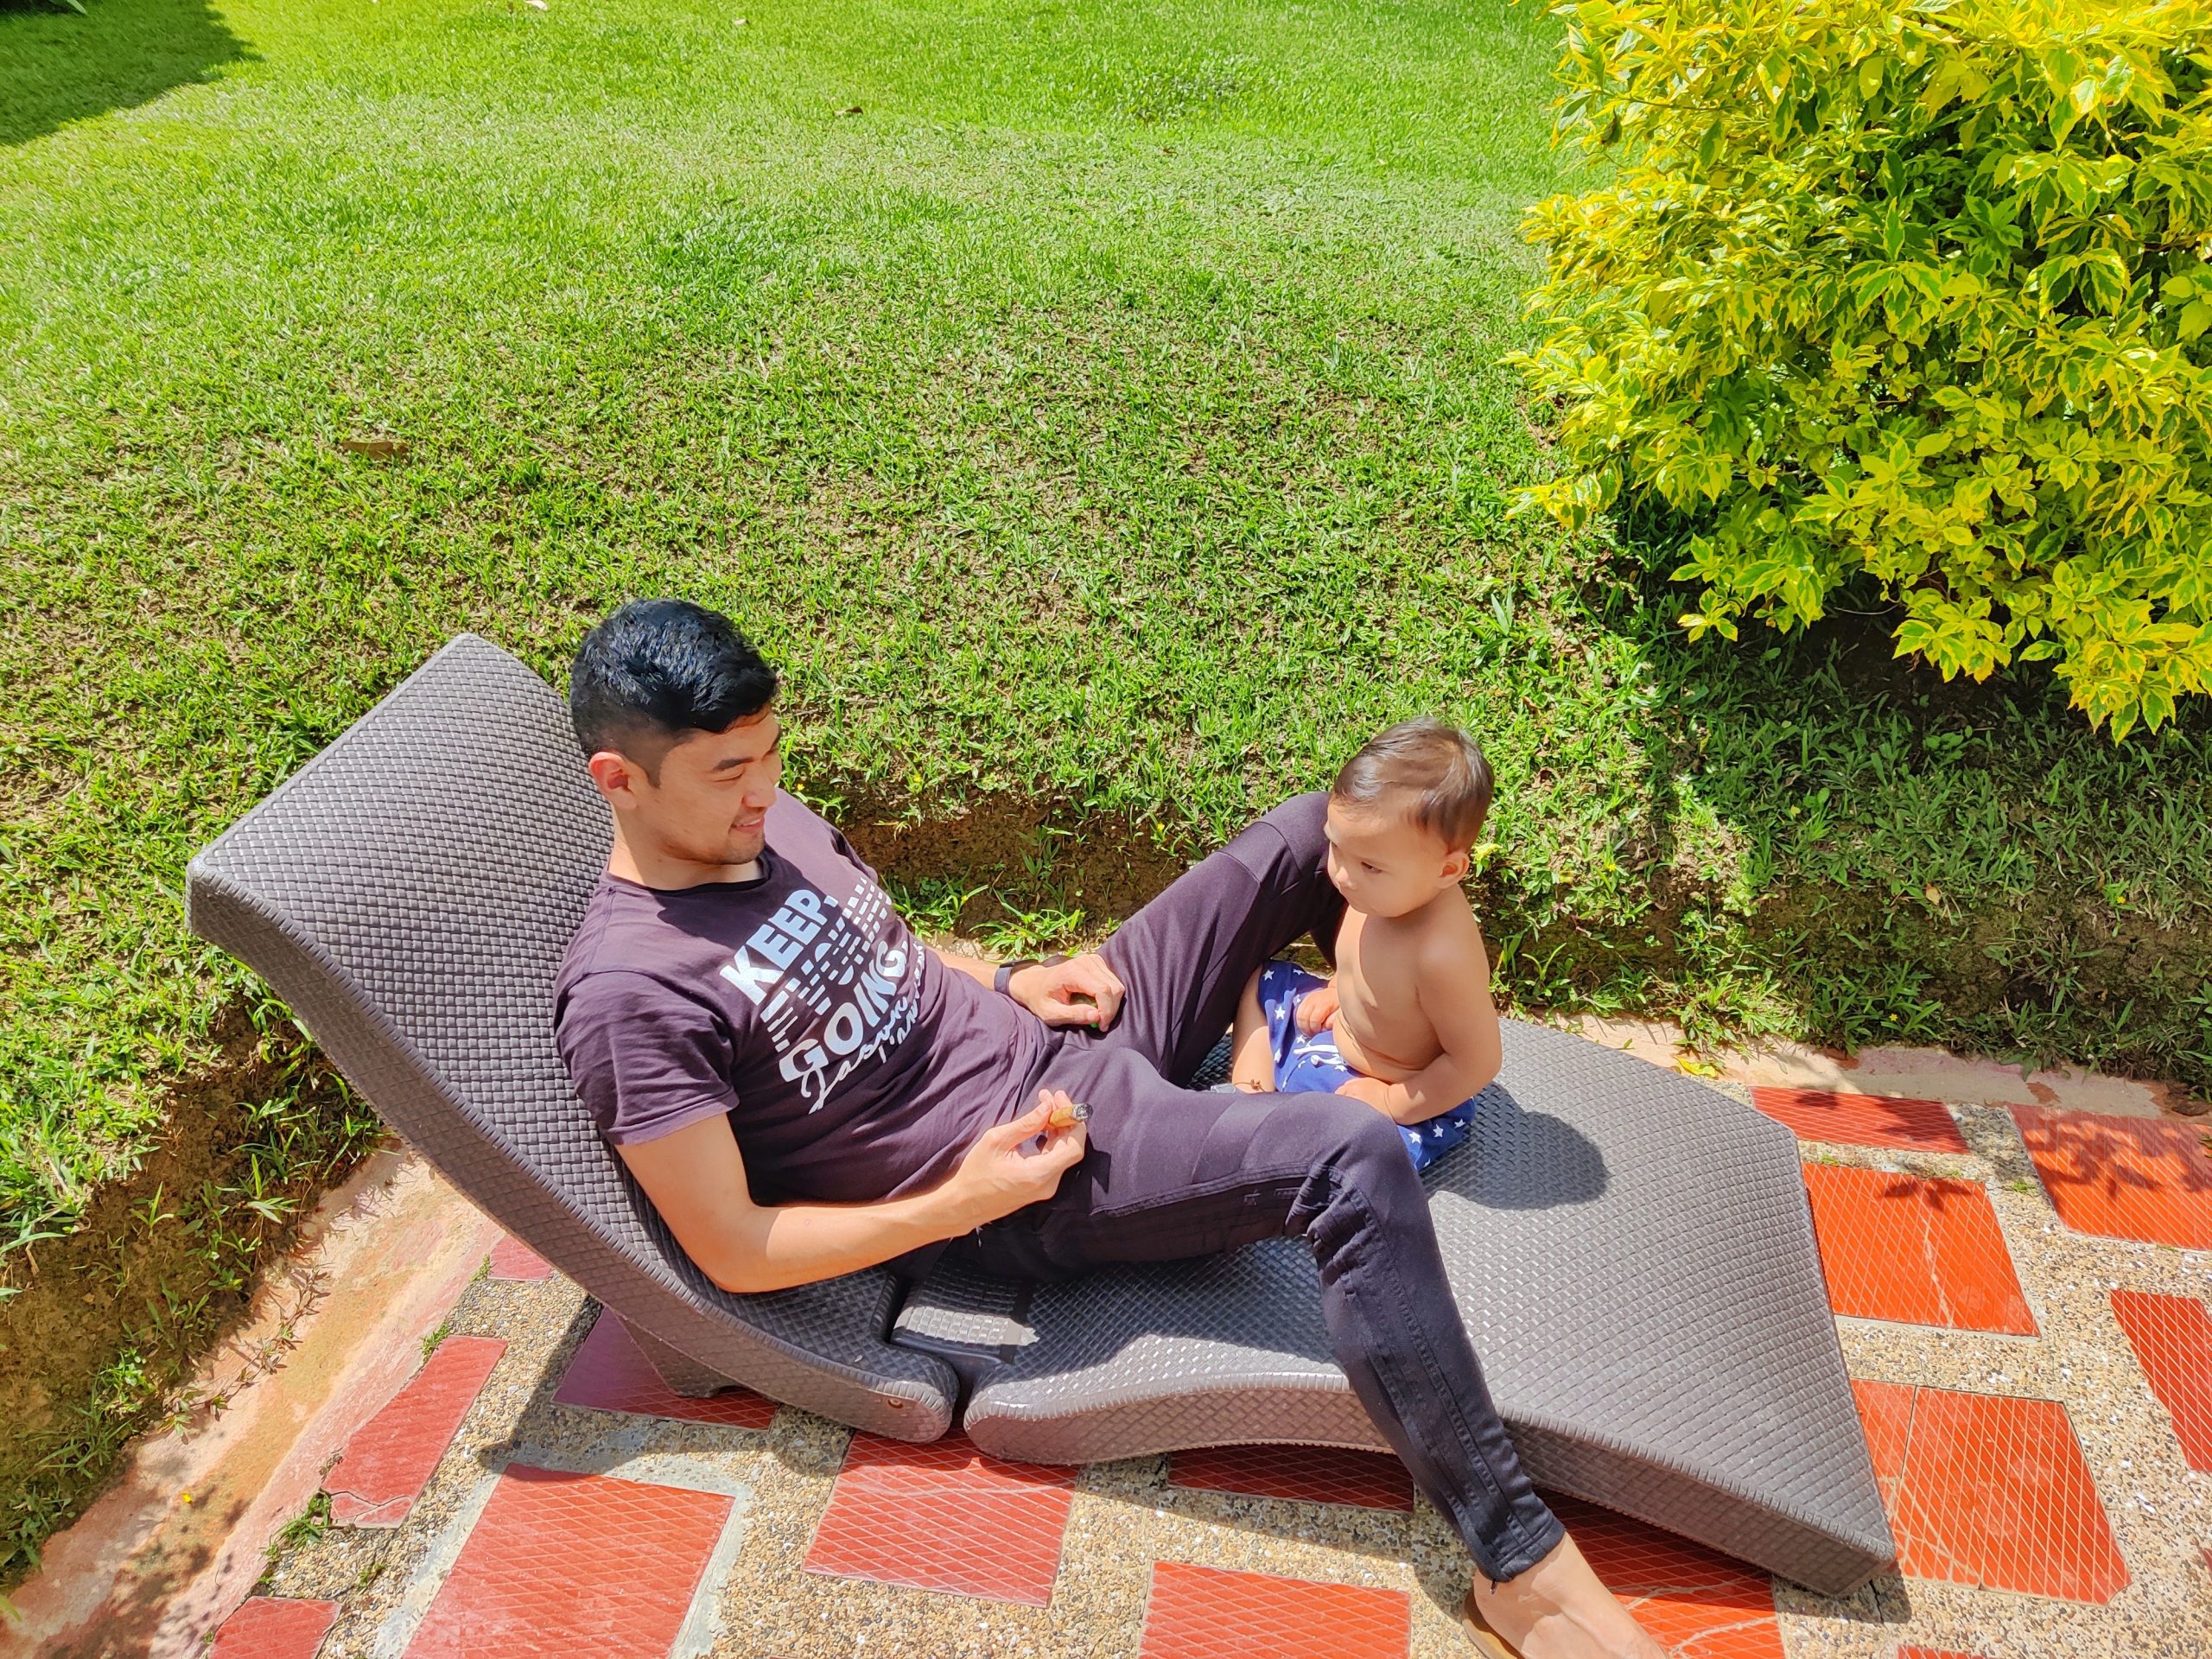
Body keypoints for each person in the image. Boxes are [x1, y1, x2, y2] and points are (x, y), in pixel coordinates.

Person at [550, 598, 1664, 1659]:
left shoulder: (765, 820)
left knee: (1303, 836)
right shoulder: (632, 995)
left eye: (770, 754)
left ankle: (1380, 1028)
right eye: (729, 772)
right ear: (619, 780)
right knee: (1346, 1153)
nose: (764, 790)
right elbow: (733, 1248)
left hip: (1058, 1030)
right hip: (1038, 1153)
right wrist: (962, 1201)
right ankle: (1518, 1562)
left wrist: (1007, 977)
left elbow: (871, 948)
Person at [1230, 719, 1497, 1175]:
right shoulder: (1380, 893)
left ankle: (1288, 1154)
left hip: (1397, 1091)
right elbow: (1366, 968)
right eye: (1337, 848)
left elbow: (1477, 1062)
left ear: (1447, 870)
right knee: (1262, 980)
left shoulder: (1440, 955)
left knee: (1366, 1159)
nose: (1342, 875)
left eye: (1369, 865)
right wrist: (1337, 991)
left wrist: (1391, 1102)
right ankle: (1251, 1097)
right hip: (1335, 1039)